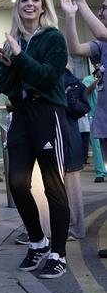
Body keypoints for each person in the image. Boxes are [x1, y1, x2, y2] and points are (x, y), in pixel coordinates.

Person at [0, 0, 70, 279]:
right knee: (16, 183)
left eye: (34, 0)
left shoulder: (53, 38)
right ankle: (38, 241)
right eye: (23, 0)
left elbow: (46, 77)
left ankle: (58, 252)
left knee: (53, 186)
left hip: (48, 113)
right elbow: (10, 88)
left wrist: (18, 56)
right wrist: (6, 65)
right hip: (22, 114)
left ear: (43, 7)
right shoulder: (16, 42)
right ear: (18, 8)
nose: (29, 4)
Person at [61, 0, 107, 258]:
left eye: (104, 8)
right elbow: (76, 49)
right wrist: (70, 16)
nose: (100, 12)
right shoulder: (102, 46)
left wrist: (82, 2)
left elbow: (102, 32)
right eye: (99, 8)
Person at [63, 67, 87, 240]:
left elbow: (82, 108)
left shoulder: (71, 81)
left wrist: (67, 96)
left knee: (72, 188)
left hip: (69, 139)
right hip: (58, 139)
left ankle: (76, 228)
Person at [81, 66, 107, 183]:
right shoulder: (88, 79)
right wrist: (97, 80)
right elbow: (85, 92)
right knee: (97, 147)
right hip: (95, 117)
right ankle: (101, 173)